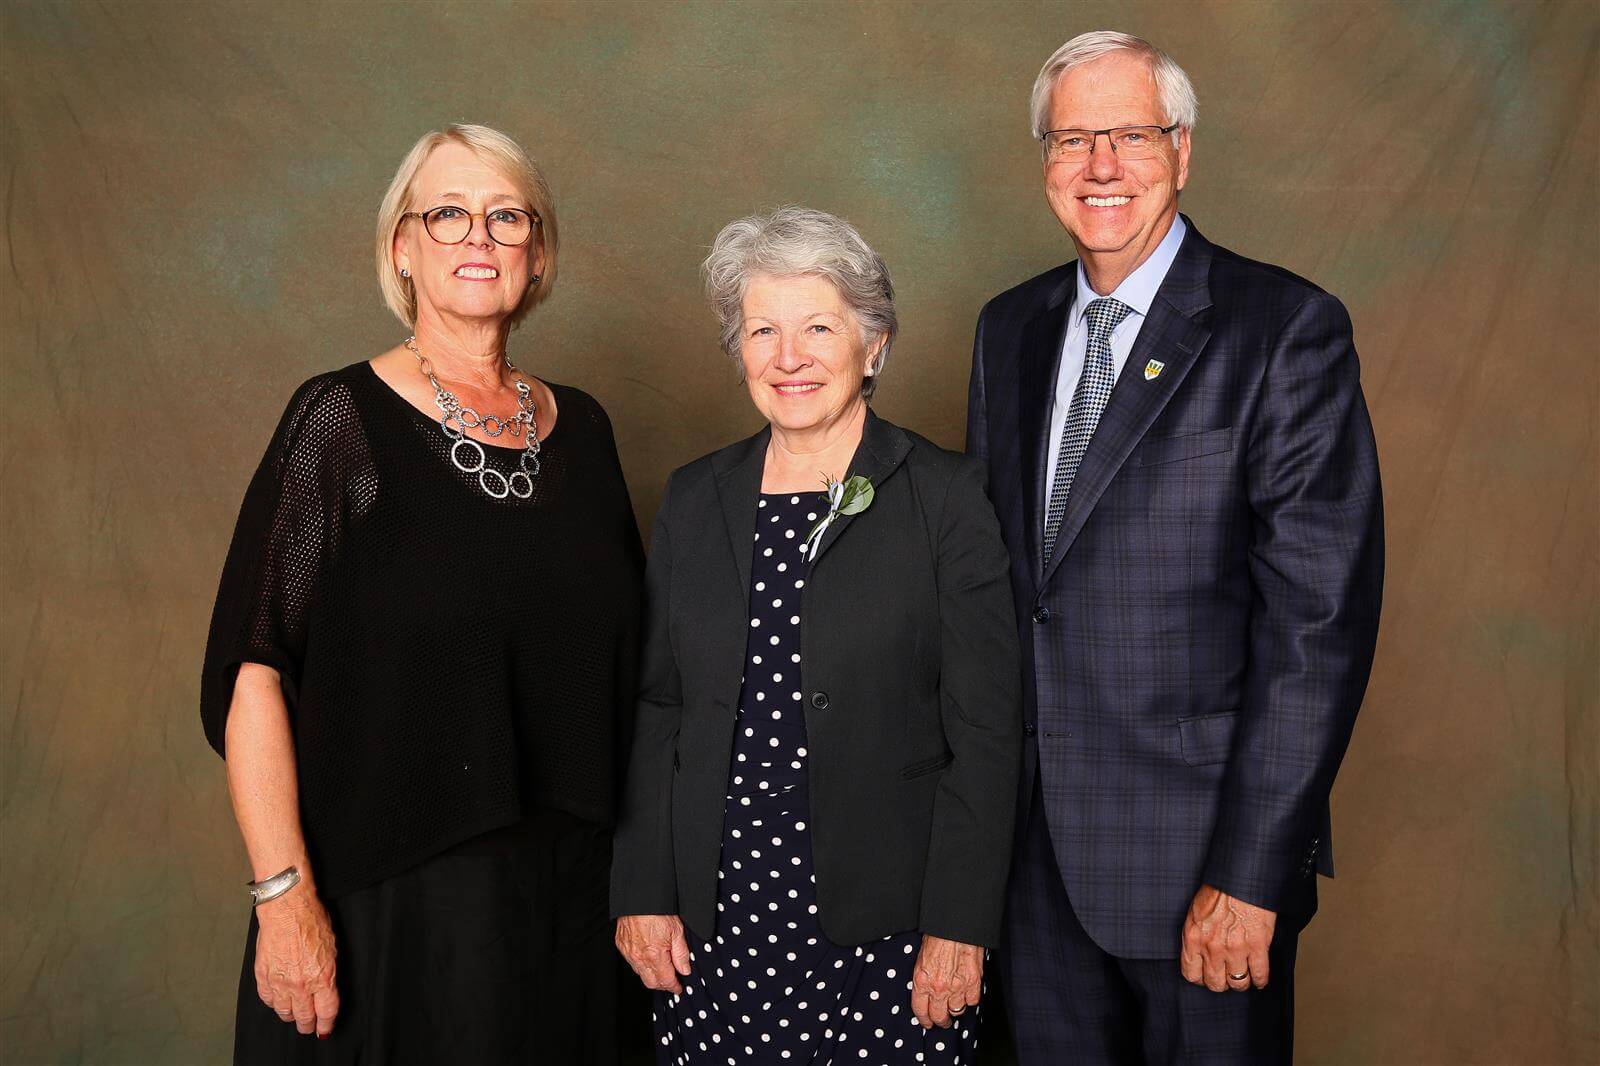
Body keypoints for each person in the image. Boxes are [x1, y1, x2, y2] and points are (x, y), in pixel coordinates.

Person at [967, 31, 1385, 1064]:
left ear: (1182, 151)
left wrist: (1250, 874)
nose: (1100, 164)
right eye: (1072, 138)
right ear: (1044, 160)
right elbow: (993, 591)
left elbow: (1318, 626)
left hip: (1200, 865)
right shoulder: (1006, 330)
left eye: (1130, 135)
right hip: (1031, 869)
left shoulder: (1283, 327)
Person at [200, 123, 643, 1064]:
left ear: (538, 250)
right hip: (393, 908)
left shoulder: (588, 432)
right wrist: (284, 902)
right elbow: (252, 674)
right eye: (447, 213)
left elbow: (632, 682)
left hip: (569, 911)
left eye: (504, 216)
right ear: (402, 248)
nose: (477, 238)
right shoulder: (340, 423)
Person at [612, 206, 1021, 1065]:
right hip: (712, 923)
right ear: (739, 351)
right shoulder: (695, 498)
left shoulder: (944, 497)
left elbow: (988, 731)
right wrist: (643, 890)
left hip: (893, 928)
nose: (788, 357)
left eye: (818, 328)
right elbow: (659, 707)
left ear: (873, 346)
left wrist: (960, 923)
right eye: (762, 329)